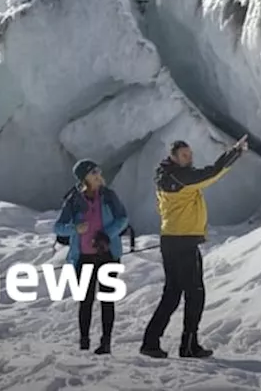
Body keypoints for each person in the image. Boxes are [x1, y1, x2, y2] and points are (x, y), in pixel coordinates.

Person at [139, 136, 247, 359]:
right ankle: (189, 345)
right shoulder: (181, 178)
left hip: (171, 240)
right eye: (184, 155)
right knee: (195, 293)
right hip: (184, 242)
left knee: (172, 294)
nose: (189, 158)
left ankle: (150, 342)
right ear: (174, 157)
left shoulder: (166, 176)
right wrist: (235, 152)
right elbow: (212, 173)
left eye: (190, 154)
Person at [53, 159, 130, 355]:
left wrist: (107, 235)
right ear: (83, 177)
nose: (98, 175)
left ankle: (106, 343)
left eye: (98, 171)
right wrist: (74, 228)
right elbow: (58, 227)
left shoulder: (108, 196)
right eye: (93, 172)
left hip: (108, 256)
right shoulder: (74, 200)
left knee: (107, 300)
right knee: (85, 301)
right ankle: (84, 342)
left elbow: (123, 218)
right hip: (83, 258)